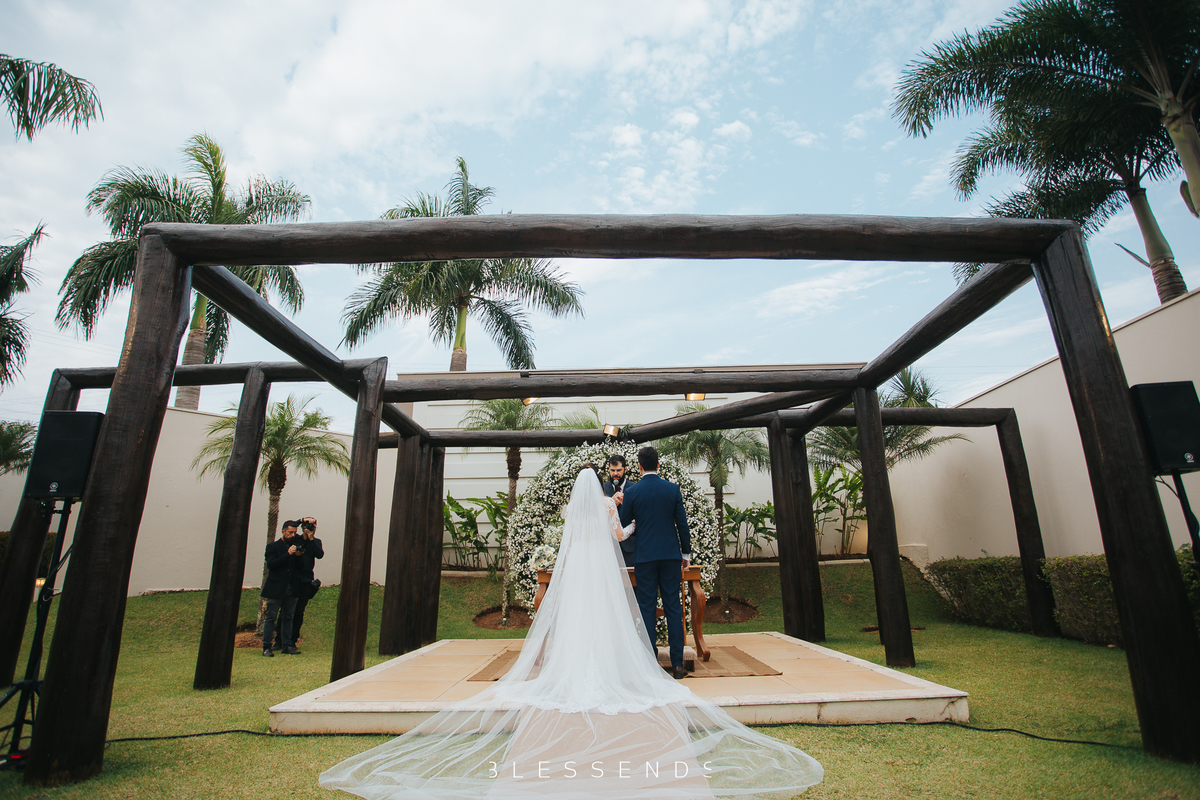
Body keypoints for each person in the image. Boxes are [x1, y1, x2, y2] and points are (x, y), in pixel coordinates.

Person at [319, 466, 822, 798]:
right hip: (602, 576)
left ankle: (572, 670)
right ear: (602, 488)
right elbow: (619, 536)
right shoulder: (607, 506)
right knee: (608, 621)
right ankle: (610, 672)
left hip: (577, 574)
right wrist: (626, 523)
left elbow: (570, 545)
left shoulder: (571, 513)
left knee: (578, 622)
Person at [616, 446, 690, 678]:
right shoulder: (672, 489)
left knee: (647, 608)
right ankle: (677, 664)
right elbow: (682, 524)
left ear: (639, 466)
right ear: (658, 465)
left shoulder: (633, 492)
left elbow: (624, 521)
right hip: (670, 556)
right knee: (673, 607)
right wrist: (686, 555)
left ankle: (650, 662)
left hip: (645, 557)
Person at [272, 516, 323, 650]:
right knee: (285, 612)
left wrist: (311, 538)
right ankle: (279, 641)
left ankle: (292, 640)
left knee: (299, 611)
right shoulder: (295, 539)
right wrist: (302, 520)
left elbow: (319, 554)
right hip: (292, 579)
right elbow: (289, 526)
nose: (311, 529)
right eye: (308, 527)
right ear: (302, 528)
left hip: (305, 580)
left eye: (313, 527)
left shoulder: (316, 542)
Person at [261, 521, 302, 657]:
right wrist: (288, 554)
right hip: (276, 587)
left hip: (291, 587)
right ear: (283, 531)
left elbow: (300, 567)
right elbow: (272, 565)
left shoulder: (295, 547)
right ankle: (267, 646)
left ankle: (287, 645)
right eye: (290, 532)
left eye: (294, 533)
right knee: (271, 617)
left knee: (288, 617)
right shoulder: (272, 547)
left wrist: (299, 556)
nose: (292, 535)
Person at [602, 454, 636, 567]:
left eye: (618, 470)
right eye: (612, 470)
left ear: (625, 470)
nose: (615, 474)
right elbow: (596, 516)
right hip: (608, 546)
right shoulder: (602, 489)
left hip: (630, 548)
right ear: (608, 470)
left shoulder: (634, 488)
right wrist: (610, 504)